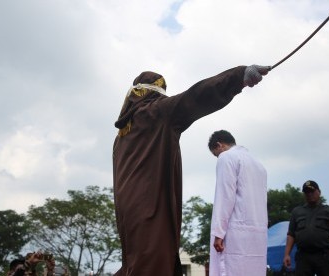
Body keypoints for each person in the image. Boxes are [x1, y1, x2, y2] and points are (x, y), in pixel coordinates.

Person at [113, 65, 270, 276]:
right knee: (152, 264)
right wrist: (238, 77)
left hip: (127, 215)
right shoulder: (154, 113)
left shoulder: (122, 136)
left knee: (136, 262)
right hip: (150, 208)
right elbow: (195, 97)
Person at [207, 130, 268, 276]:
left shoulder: (227, 157)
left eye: (216, 154)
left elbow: (225, 196)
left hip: (236, 232)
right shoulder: (259, 165)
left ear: (219, 145)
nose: (218, 158)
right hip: (258, 233)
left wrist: (218, 232)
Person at [283, 180, 329, 276]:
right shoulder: (297, 212)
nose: (309, 194)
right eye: (307, 192)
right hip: (303, 256)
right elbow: (291, 234)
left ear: (319, 192)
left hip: (323, 255)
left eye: (312, 191)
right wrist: (287, 254)